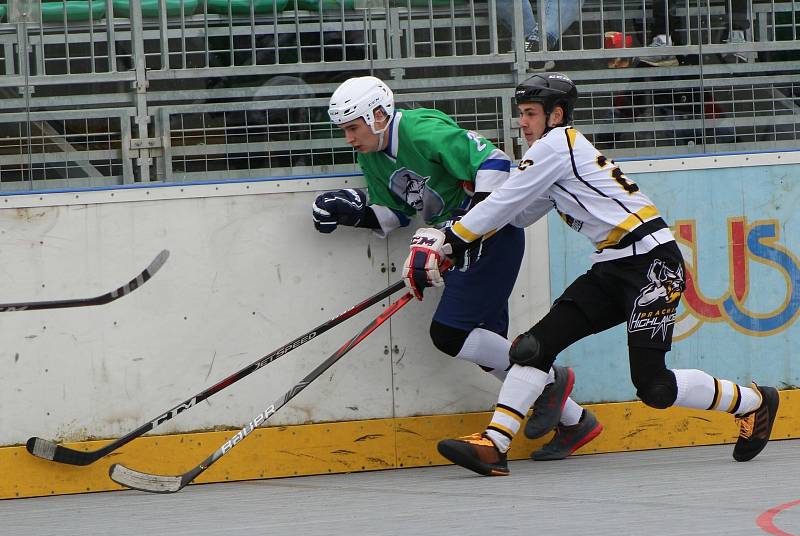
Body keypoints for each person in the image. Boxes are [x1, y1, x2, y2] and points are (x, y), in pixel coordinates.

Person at [402, 72, 780, 476]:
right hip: (613, 265)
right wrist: (457, 233)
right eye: (521, 115)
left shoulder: (557, 145)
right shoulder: (551, 156)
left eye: (530, 114)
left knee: (654, 388)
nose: (522, 123)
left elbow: (504, 205)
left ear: (556, 115)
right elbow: (514, 213)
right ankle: (495, 445)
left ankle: (754, 402)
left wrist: (447, 240)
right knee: (533, 348)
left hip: (653, 264)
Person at [314, 75, 598, 454]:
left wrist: (471, 227)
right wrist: (354, 214)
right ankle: (576, 422)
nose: (349, 138)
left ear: (378, 115)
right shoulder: (372, 156)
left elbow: (493, 161)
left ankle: (549, 380)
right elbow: (397, 214)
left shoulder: (421, 130)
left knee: (451, 334)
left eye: (353, 127)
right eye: (344, 130)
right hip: (456, 242)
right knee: (486, 349)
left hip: (490, 234)